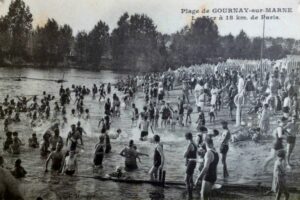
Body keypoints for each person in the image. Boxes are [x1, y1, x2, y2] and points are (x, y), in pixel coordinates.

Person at [184, 132, 197, 199]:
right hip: (194, 162)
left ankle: (189, 196)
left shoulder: (190, 144)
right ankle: (190, 194)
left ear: (187, 137)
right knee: (191, 179)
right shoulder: (194, 143)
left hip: (191, 162)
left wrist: (184, 154)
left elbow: (185, 154)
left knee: (186, 180)